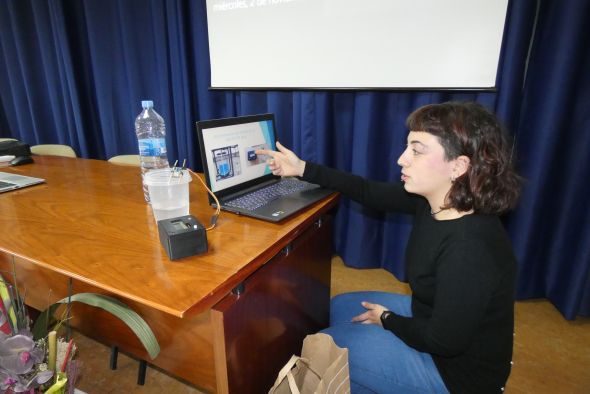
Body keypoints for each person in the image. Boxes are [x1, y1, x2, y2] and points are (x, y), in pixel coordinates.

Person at [257, 102, 521, 393]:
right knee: (339, 307)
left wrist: (387, 319)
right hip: (432, 317)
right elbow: (366, 190)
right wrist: (301, 168)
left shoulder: (470, 247)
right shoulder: (436, 200)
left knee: (329, 343)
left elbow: (444, 341)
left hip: (456, 375)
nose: (401, 159)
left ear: (458, 166)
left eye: (417, 150)